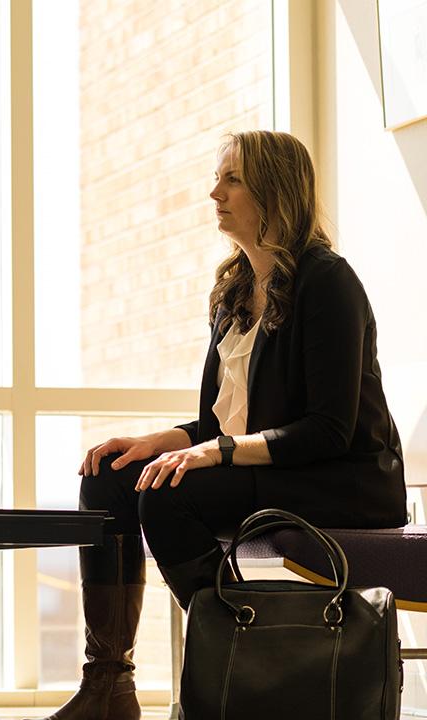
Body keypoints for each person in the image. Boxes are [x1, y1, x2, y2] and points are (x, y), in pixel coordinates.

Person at [46, 130, 407, 720]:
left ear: (273, 189)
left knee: (168, 497)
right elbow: (223, 422)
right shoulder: (235, 291)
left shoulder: (328, 282)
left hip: (341, 479)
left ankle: (250, 656)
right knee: (112, 478)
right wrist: (161, 442)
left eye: (231, 178)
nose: (214, 191)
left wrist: (212, 454)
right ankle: (109, 683)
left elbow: (328, 430)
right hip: (273, 469)